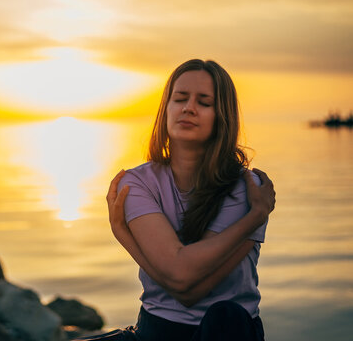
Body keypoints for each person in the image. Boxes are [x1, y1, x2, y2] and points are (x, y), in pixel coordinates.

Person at [79, 59, 276, 341]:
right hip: (155, 331)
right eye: (180, 98)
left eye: (204, 102)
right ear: (166, 109)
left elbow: (186, 286)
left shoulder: (248, 188)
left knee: (225, 316)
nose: (188, 108)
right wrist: (255, 218)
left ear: (222, 115)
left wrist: (256, 214)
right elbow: (181, 277)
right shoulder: (136, 182)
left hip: (227, 333)